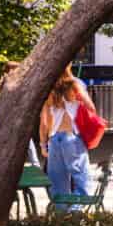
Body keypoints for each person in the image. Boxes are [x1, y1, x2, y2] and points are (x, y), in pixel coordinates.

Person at [39, 67, 95, 206]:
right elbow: (91, 107)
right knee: (82, 178)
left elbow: (44, 122)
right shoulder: (74, 85)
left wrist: (42, 145)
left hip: (54, 139)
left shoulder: (49, 89)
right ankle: (76, 213)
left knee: (57, 182)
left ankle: (62, 217)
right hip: (71, 137)